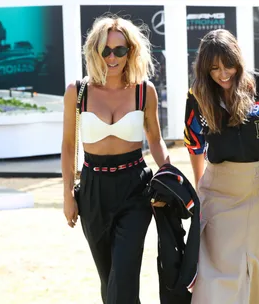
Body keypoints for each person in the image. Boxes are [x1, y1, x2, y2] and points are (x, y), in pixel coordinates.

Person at [61, 15, 170, 303]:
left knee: (124, 276)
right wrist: (67, 195)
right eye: (105, 50)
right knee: (108, 278)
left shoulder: (143, 91)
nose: (112, 57)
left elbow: (156, 139)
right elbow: (69, 146)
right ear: (94, 51)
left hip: (135, 187)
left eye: (120, 50)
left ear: (130, 51)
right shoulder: (77, 92)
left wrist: (169, 175)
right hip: (93, 189)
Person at [184, 29, 259, 304]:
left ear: (239, 59)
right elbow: (194, 146)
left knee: (257, 266)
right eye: (214, 68)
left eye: (228, 65)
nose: (223, 74)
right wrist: (200, 190)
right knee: (216, 270)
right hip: (218, 190)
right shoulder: (197, 95)